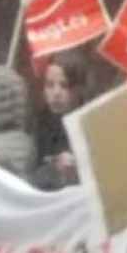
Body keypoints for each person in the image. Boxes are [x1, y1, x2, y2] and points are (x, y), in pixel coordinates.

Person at [32, 51, 95, 191]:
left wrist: (78, 172)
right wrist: (54, 167)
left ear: (79, 89)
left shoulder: (92, 125)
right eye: (49, 85)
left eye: (64, 85)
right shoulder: (40, 123)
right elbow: (31, 175)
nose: (56, 93)